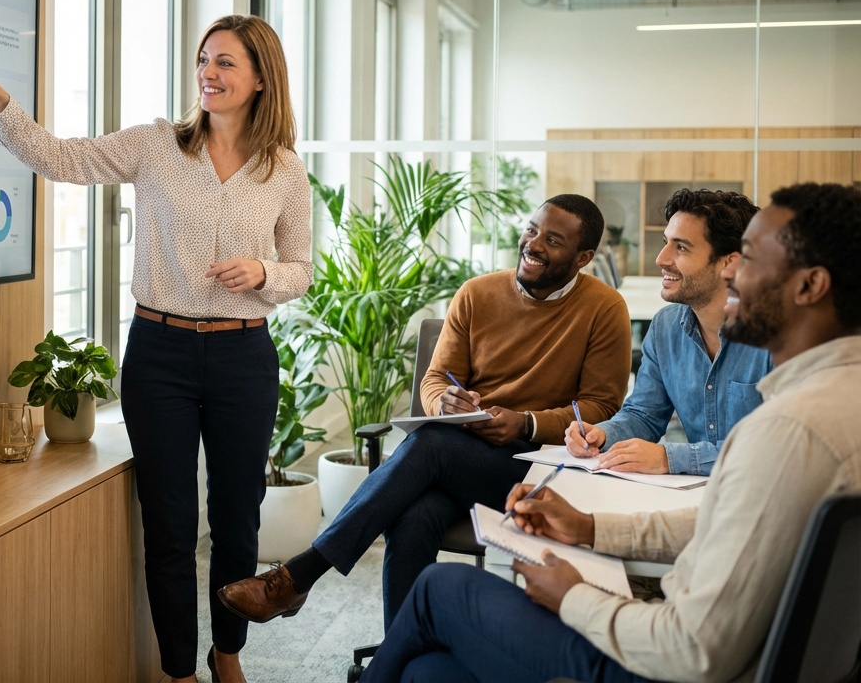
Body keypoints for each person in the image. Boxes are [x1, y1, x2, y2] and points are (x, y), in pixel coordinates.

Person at [362, 181, 861, 683]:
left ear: (809, 286)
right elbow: (721, 514)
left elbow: (692, 650)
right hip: (724, 642)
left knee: (440, 589)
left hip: (668, 664)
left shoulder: (787, 430)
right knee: (425, 671)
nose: (736, 275)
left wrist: (573, 596)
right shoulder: (837, 398)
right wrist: (590, 525)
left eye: (749, 259)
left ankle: (311, 578)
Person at [0, 15, 312, 683]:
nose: (209, 72)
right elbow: (61, 158)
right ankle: (179, 672)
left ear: (261, 78)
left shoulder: (283, 170)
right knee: (169, 525)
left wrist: (264, 273)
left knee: (236, 522)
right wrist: (2, 104)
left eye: (225, 62)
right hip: (160, 357)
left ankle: (226, 654)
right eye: (203, 59)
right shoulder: (156, 144)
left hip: (242, 358)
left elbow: (302, 268)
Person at [218, 195, 631, 631]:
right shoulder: (477, 293)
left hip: (531, 470)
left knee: (429, 445)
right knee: (415, 514)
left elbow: (603, 406)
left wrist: (525, 422)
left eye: (553, 240)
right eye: (531, 229)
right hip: (459, 455)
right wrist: (444, 403)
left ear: (583, 257)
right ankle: (404, 658)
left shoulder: (604, 309)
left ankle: (299, 576)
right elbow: (435, 380)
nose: (533, 244)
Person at [565, 188, 771, 476]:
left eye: (681, 247)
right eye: (666, 243)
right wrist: (603, 434)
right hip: (704, 497)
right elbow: (644, 415)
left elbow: (781, 448)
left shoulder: (785, 336)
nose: (661, 258)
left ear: (730, 262)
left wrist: (670, 458)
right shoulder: (665, 327)